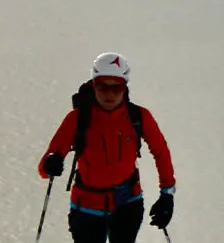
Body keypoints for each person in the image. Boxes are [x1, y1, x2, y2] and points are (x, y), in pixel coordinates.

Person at [37, 52, 175, 242]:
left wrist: (167, 195)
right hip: (86, 208)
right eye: (103, 87)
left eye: (116, 88)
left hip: (127, 204)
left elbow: (161, 152)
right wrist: (51, 162)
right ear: (94, 85)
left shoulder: (139, 117)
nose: (109, 94)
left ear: (124, 87)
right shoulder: (77, 119)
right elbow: (45, 166)